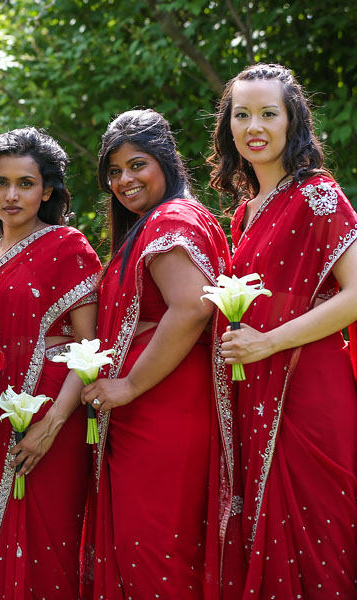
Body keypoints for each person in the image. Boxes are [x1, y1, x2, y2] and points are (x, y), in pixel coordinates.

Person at [208, 63, 357, 599]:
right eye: (241, 115)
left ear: (295, 122)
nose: (254, 126)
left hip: (309, 392)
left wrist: (268, 341)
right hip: (257, 395)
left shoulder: (316, 194)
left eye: (269, 113)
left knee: (320, 543)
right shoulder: (245, 214)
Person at [79, 109, 231, 599]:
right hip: (157, 408)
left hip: (163, 409)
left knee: (157, 554)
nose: (125, 180)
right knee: (156, 552)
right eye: (115, 172)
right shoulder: (163, 221)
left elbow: (191, 307)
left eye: (137, 165)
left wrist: (128, 385)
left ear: (166, 162)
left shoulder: (171, 221)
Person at [0, 127, 100, 599]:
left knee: (48, 546)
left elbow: (89, 349)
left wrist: (53, 423)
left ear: (47, 191)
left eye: (25, 183)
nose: (11, 195)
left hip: (50, 420)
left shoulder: (69, 246)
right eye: (0, 182)